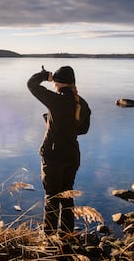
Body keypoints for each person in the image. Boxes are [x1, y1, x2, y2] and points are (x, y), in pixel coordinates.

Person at [27, 65, 91, 235]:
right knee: (67, 197)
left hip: (53, 157)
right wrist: (62, 127)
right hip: (71, 156)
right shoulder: (82, 103)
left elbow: (31, 84)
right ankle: (67, 236)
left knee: (52, 198)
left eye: (55, 81)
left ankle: (48, 239)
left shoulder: (56, 100)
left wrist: (44, 75)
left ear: (58, 83)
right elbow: (83, 129)